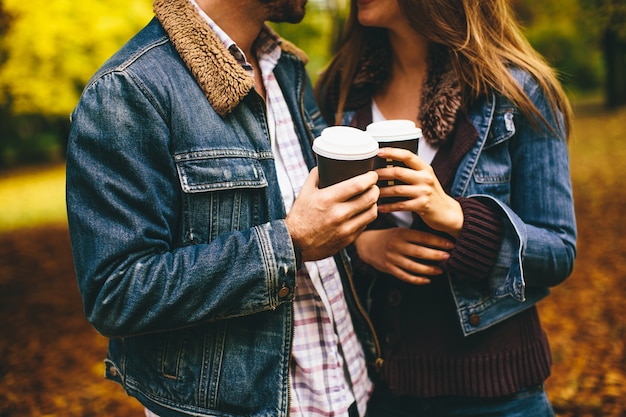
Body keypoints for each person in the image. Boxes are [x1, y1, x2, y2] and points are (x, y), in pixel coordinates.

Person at [65, 0, 382, 416]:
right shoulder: (128, 89)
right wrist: (289, 244)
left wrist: (365, 239)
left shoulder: (286, 67)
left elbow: (312, 219)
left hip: (346, 390)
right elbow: (118, 292)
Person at [315, 0, 577, 415]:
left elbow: (559, 251)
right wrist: (362, 246)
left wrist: (457, 217)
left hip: (499, 395)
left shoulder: (518, 92)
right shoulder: (340, 89)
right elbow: (306, 223)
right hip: (380, 388)